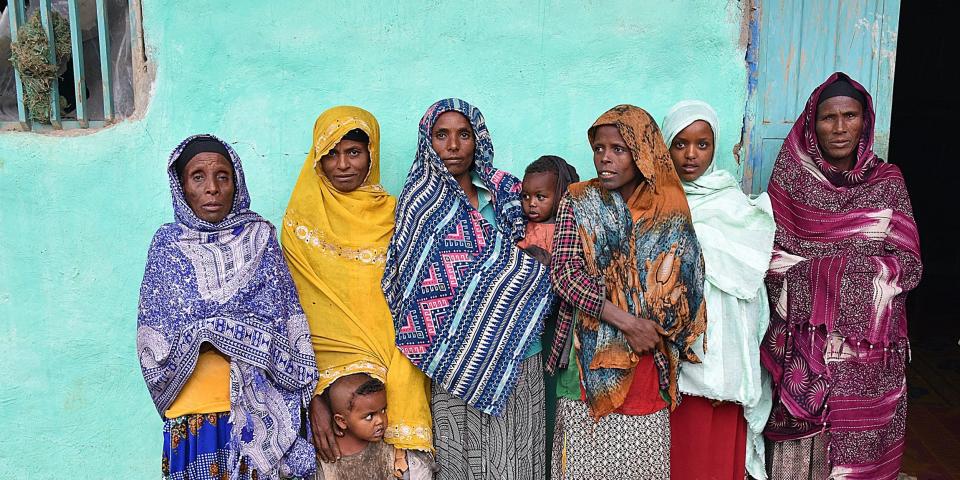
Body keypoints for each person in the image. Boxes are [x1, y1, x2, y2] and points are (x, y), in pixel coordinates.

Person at [760, 72, 922, 479]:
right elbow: (773, 259)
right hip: (804, 349)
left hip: (868, 353)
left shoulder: (887, 183)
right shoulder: (792, 180)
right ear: (812, 125)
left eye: (849, 116)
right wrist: (847, 270)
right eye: (828, 118)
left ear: (864, 121)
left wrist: (832, 271)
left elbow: (909, 262)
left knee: (861, 455)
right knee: (798, 459)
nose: (839, 127)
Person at [382, 98, 553, 480]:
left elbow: (538, 254)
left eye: (464, 134)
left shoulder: (510, 193)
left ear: (478, 140)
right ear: (429, 142)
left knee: (517, 461)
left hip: (518, 351)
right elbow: (408, 283)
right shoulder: (418, 205)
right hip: (453, 359)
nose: (454, 145)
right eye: (442, 135)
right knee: (463, 464)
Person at [137, 134, 318, 480]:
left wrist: (217, 331)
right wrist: (207, 332)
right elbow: (152, 341)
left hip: (262, 417)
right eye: (198, 177)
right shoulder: (166, 246)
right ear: (181, 185)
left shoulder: (261, 238)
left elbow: (287, 324)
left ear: (236, 182)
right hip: (193, 416)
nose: (212, 188)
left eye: (223, 176)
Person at [546, 105, 707, 479]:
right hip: (588, 361)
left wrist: (648, 325)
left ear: (643, 152)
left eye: (618, 149)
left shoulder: (669, 209)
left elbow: (686, 285)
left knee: (641, 465)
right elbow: (566, 274)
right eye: (599, 148)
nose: (605, 158)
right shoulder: (579, 200)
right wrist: (627, 321)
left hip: (647, 359)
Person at [280, 107, 434, 477]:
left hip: (398, 363)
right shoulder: (299, 223)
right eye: (331, 153)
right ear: (317, 159)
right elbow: (290, 312)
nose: (343, 164)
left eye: (354, 152)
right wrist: (315, 396)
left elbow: (417, 295)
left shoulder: (396, 215)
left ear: (371, 155)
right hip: (328, 382)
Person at [661, 100, 775, 480]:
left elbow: (748, 277)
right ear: (665, 145)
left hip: (726, 350)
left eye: (702, 144)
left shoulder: (733, 202)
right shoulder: (655, 200)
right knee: (681, 451)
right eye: (680, 144)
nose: (691, 155)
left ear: (715, 146)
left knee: (716, 450)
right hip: (676, 351)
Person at [516, 154, 578, 475]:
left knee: (554, 399)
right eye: (526, 196)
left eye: (541, 197)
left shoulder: (566, 232)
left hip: (556, 326)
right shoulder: (521, 228)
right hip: (529, 332)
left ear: (561, 195)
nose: (532, 204)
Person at [317, 374, 432, 480]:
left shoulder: (393, 451)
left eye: (383, 410)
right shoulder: (324, 460)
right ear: (342, 421)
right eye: (369, 416)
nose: (380, 420)